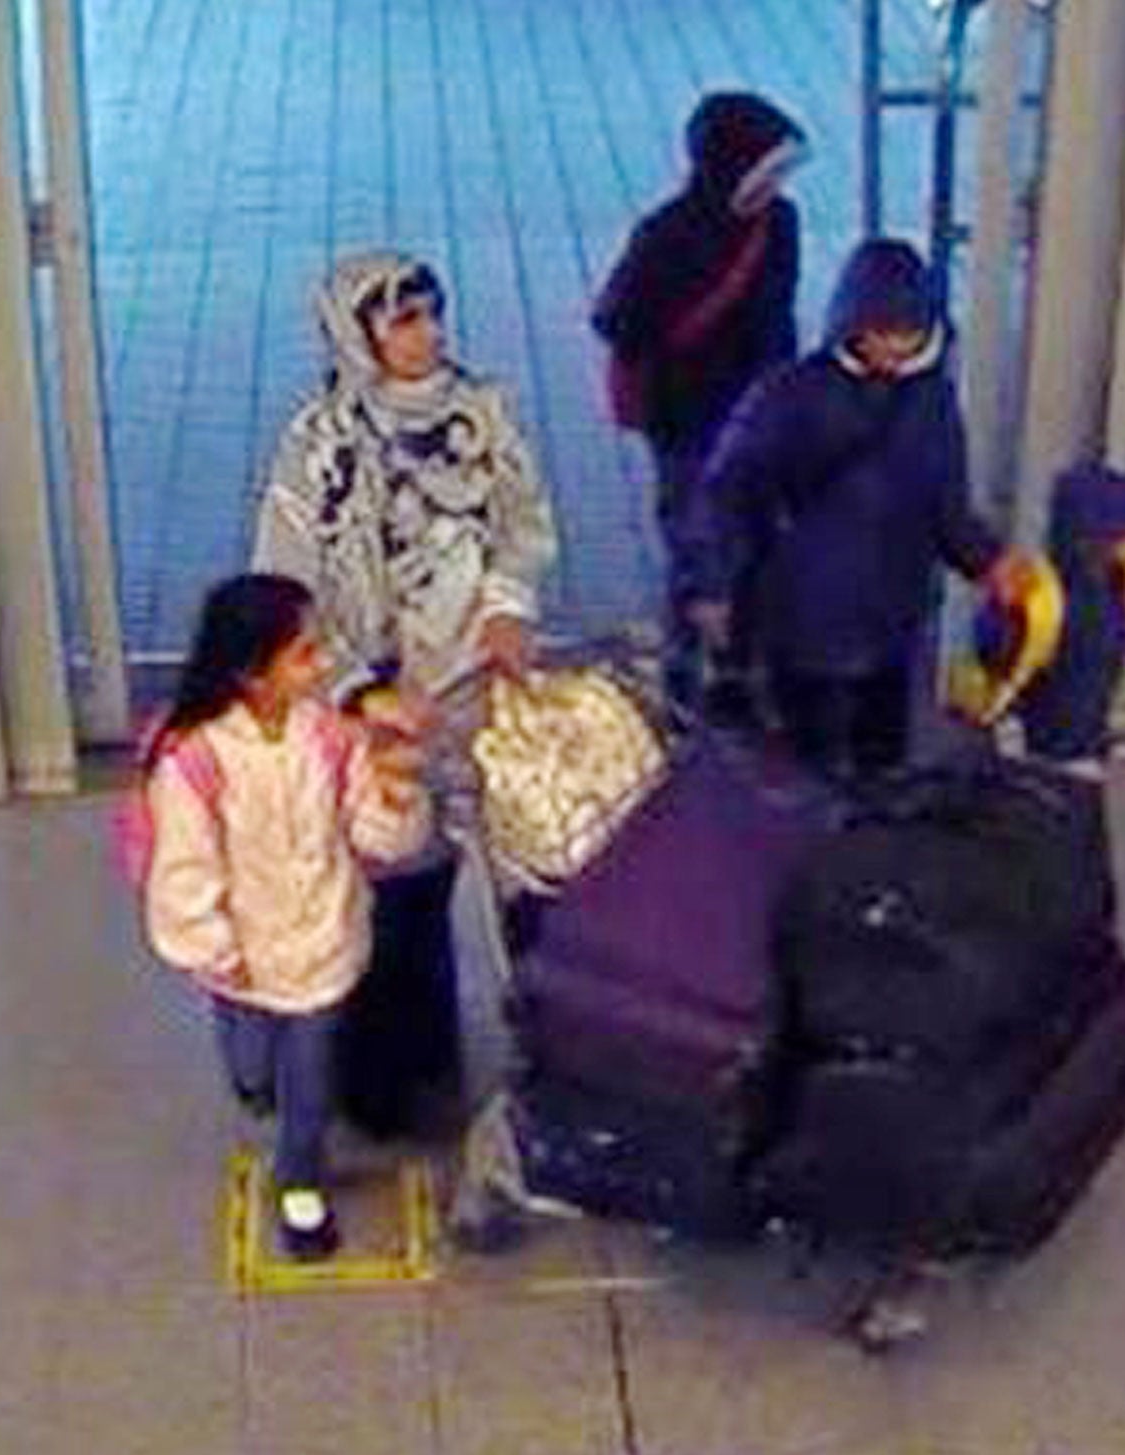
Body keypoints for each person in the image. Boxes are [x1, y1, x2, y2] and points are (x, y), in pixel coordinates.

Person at [251, 251, 559, 1125]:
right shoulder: (318, 443)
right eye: (402, 321)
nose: (427, 335)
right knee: (393, 887)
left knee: (513, 871)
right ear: (360, 335)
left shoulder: (480, 415)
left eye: (431, 314)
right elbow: (284, 581)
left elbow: (523, 523)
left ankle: (543, 1061)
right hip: (373, 712)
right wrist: (352, 689)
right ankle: (388, 1083)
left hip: (466, 684)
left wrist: (506, 607)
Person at [142, 573, 433, 1260]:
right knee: (252, 1069)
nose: (325, 664)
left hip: (324, 944)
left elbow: (377, 837)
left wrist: (395, 796)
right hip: (243, 956)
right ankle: (257, 1084)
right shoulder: (195, 762)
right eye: (304, 653)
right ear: (250, 673)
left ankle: (300, 1173)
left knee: (311, 1075)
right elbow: (186, 870)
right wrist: (214, 948)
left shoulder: (331, 740)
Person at [679, 237, 1024, 783]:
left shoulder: (934, 401)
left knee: (881, 771)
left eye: (908, 332)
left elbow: (947, 508)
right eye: (881, 331)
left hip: (892, 627)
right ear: (851, 323)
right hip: (803, 627)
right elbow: (726, 492)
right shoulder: (791, 394)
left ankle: (867, 854)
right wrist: (712, 585)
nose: (895, 346)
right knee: (806, 776)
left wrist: (989, 563)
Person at [592, 91, 807, 719]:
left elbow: (779, 321)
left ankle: (740, 673)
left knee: (757, 539)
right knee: (697, 543)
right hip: (686, 416)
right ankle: (686, 685)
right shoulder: (666, 235)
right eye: (763, 173)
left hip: (757, 414)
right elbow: (620, 319)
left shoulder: (779, 225)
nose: (772, 188)